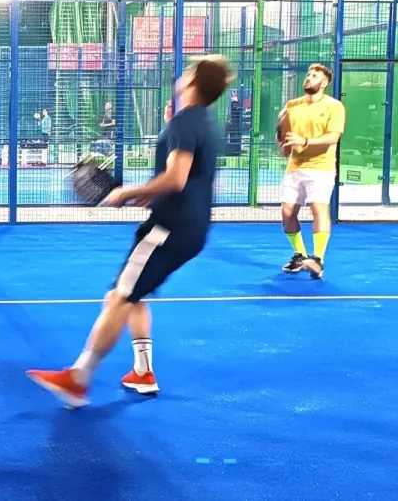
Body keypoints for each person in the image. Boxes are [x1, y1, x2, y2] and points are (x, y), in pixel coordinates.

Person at [26, 55, 233, 408]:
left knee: (120, 297)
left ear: (193, 81)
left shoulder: (185, 121)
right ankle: (142, 371)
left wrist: (128, 192)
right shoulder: (205, 122)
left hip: (168, 229)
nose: (182, 75)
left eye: (188, 70)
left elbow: (176, 178)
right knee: (134, 294)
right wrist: (152, 195)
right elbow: (191, 181)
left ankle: (78, 378)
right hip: (191, 229)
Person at [278, 63, 346, 280]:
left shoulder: (334, 106)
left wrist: (305, 141)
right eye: (308, 75)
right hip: (295, 167)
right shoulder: (292, 105)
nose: (308, 78)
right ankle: (300, 255)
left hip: (321, 167)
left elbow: (332, 137)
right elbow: (283, 133)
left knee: (318, 208)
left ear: (324, 83)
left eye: (315, 76)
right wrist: (282, 144)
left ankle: (318, 259)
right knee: (287, 213)